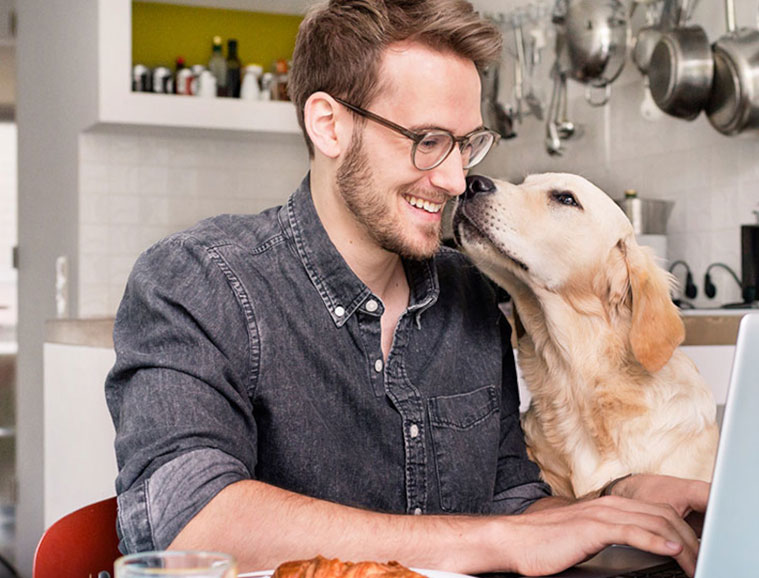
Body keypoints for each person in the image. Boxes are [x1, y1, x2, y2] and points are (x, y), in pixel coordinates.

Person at [105, 0, 709, 575]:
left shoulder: (472, 296)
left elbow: (512, 502)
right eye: (427, 140)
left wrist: (619, 500)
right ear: (329, 125)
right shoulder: (197, 282)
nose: (453, 179)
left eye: (467, 143)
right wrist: (494, 539)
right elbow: (191, 525)